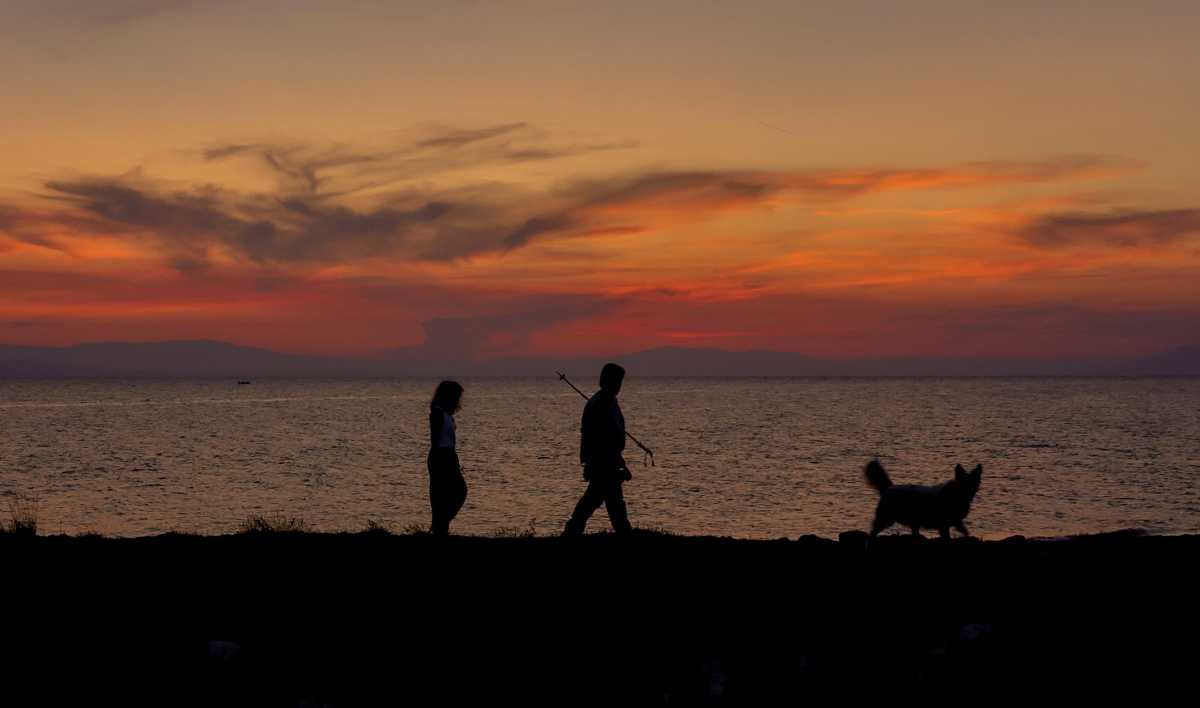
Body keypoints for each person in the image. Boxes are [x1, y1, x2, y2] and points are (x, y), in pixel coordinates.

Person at [563, 363, 633, 535]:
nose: (619, 386)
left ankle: (571, 532)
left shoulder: (608, 402)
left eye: (620, 381)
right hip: (603, 463)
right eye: (617, 381)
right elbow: (601, 440)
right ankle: (571, 532)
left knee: (600, 501)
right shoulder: (601, 404)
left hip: (607, 463)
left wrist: (621, 463)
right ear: (608, 380)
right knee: (604, 503)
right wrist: (615, 463)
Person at [428, 380, 468, 536]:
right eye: (457, 396)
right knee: (455, 492)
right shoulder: (437, 413)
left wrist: (453, 457)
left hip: (449, 455)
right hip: (442, 456)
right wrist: (444, 460)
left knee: (451, 494)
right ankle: (439, 526)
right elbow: (436, 440)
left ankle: (440, 526)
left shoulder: (445, 414)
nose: (459, 400)